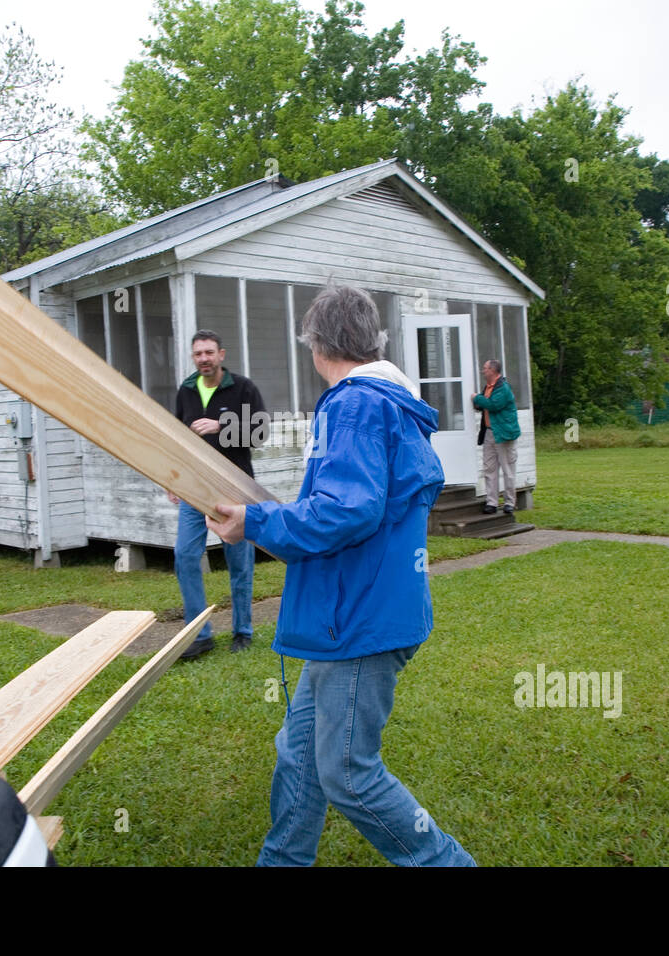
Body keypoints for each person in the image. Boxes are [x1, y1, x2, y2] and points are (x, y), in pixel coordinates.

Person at [206, 285, 476, 866]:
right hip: (363, 610)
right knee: (299, 755)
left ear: (317, 343)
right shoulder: (389, 400)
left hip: (359, 619)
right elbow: (351, 504)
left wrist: (253, 521)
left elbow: (346, 510)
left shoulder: (353, 403)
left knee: (348, 775)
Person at [170, 330, 266, 659]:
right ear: (193, 357)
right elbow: (177, 437)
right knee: (184, 556)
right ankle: (200, 633)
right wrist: (172, 478)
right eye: (198, 354)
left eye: (209, 352)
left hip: (234, 490)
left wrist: (221, 426)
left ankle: (243, 630)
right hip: (194, 488)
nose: (204, 359)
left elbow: (260, 432)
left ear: (221, 354)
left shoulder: (243, 388)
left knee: (239, 562)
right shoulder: (185, 390)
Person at [472, 358, 521, 516]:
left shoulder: (503, 388)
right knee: (489, 469)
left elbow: (493, 405)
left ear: (493, 371)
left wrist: (475, 398)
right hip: (489, 432)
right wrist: (480, 401)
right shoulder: (488, 387)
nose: (482, 371)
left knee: (507, 469)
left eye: (485, 368)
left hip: (504, 434)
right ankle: (491, 502)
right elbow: (484, 404)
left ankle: (509, 503)